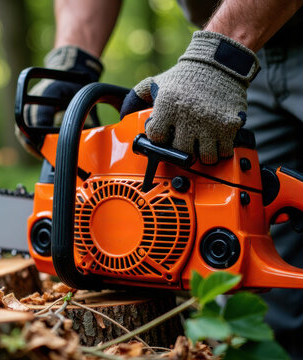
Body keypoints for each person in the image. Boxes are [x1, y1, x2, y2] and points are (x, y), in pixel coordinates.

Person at [19, 0, 303, 357]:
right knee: (269, 314)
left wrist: (216, 59)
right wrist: (73, 60)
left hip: (236, 47)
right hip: (247, 57)